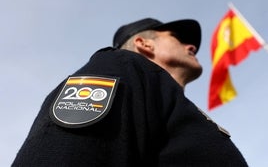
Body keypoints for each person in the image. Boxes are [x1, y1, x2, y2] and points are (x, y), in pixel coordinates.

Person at [12, 18, 248, 166]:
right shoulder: (121, 66)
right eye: (177, 38)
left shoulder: (172, 106)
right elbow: (65, 154)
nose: (192, 46)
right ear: (144, 44)